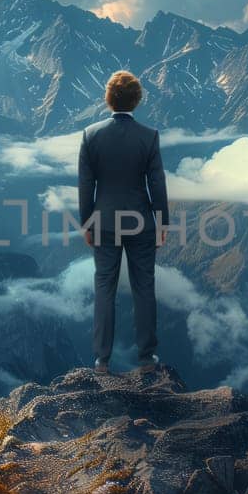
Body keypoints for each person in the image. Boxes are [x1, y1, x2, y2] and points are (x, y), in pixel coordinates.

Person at [78, 71, 168, 375]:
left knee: (105, 287)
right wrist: (162, 221)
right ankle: (147, 358)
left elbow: (85, 184)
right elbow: (157, 183)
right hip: (140, 222)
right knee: (144, 287)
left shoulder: (90, 135)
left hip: (103, 222)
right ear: (137, 100)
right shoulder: (149, 136)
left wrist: (86, 223)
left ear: (108, 100)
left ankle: (101, 360)